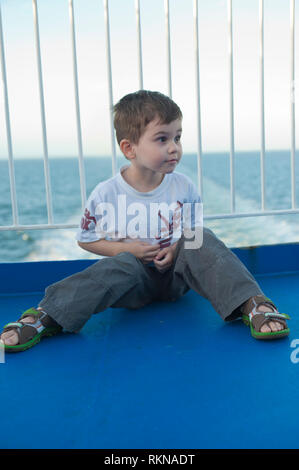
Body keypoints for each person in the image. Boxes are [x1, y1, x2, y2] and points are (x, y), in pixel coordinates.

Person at [0, 90, 290, 352]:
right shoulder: (107, 193)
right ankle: (46, 317)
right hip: (132, 283)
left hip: (177, 279)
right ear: (130, 149)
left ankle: (253, 304)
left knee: (200, 236)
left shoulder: (184, 186)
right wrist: (129, 251)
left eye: (177, 137)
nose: (174, 147)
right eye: (162, 139)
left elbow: (194, 236)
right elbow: (85, 238)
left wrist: (176, 249)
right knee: (120, 263)